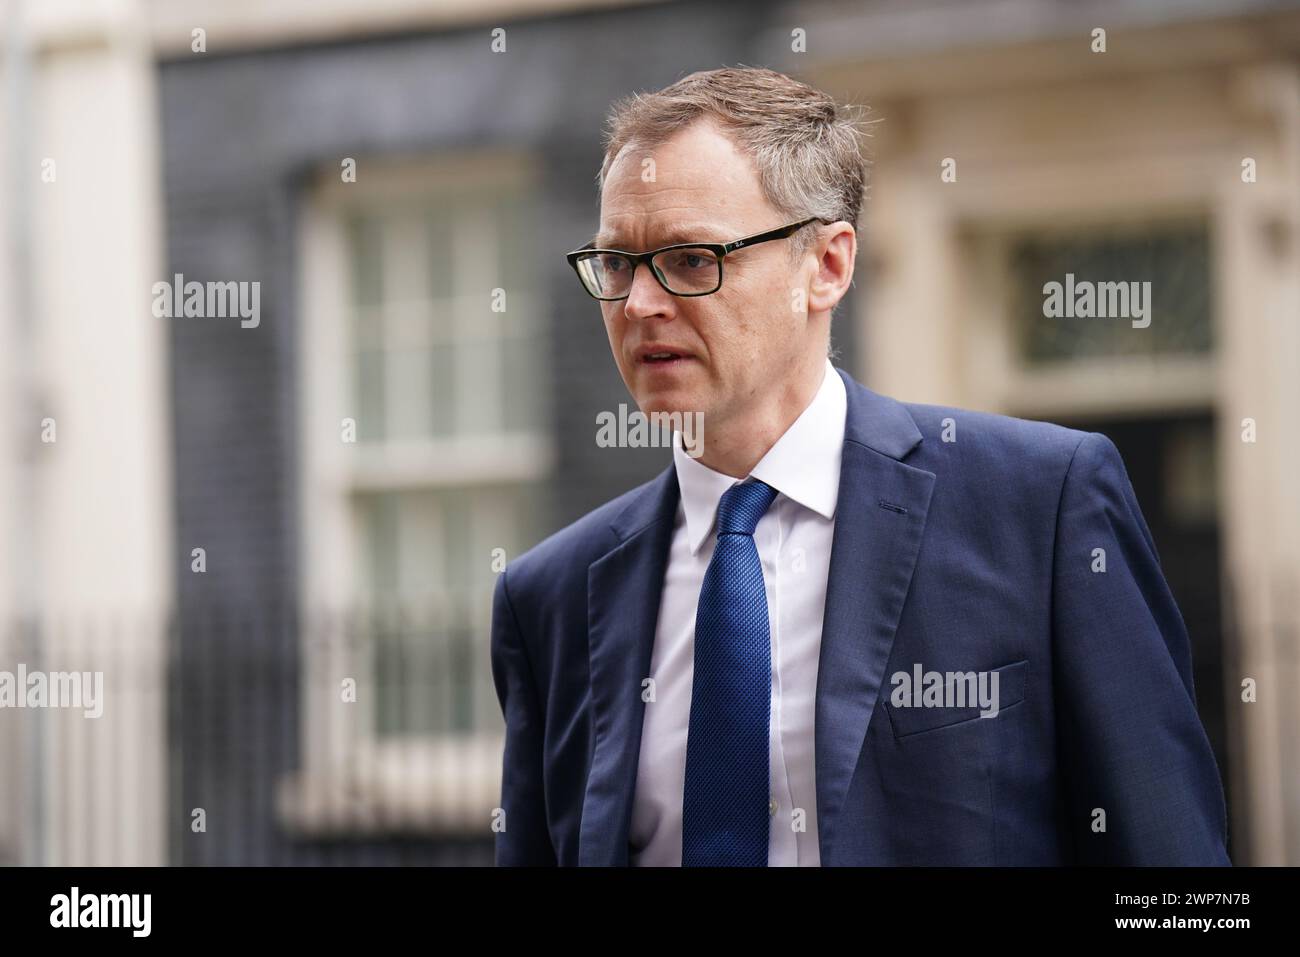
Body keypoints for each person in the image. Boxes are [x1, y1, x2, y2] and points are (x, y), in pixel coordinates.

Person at [490, 66, 1230, 866]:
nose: (639, 305)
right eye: (617, 264)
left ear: (828, 266)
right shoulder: (551, 597)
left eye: (691, 258)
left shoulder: (1041, 505)